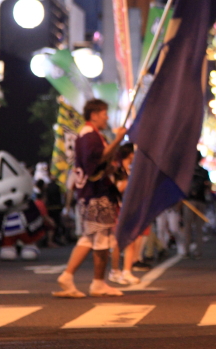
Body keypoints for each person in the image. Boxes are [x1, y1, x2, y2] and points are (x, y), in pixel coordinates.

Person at [55, 99, 126, 298]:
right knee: (99, 239)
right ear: (94, 115)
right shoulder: (89, 134)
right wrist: (118, 140)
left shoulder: (91, 134)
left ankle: (88, 280)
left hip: (94, 194)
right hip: (96, 195)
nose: (107, 118)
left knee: (92, 238)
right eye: (104, 114)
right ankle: (88, 280)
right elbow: (96, 161)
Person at [108, 143, 141, 286]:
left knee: (130, 240)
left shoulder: (130, 170)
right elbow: (119, 188)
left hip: (129, 208)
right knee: (117, 242)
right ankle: (115, 270)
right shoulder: (118, 170)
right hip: (117, 209)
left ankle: (127, 271)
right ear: (130, 154)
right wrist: (130, 181)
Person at [182, 151, 211, 259]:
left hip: (190, 201)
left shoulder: (186, 171)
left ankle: (187, 250)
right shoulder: (203, 172)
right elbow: (208, 186)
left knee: (188, 227)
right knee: (198, 227)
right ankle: (197, 251)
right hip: (199, 200)